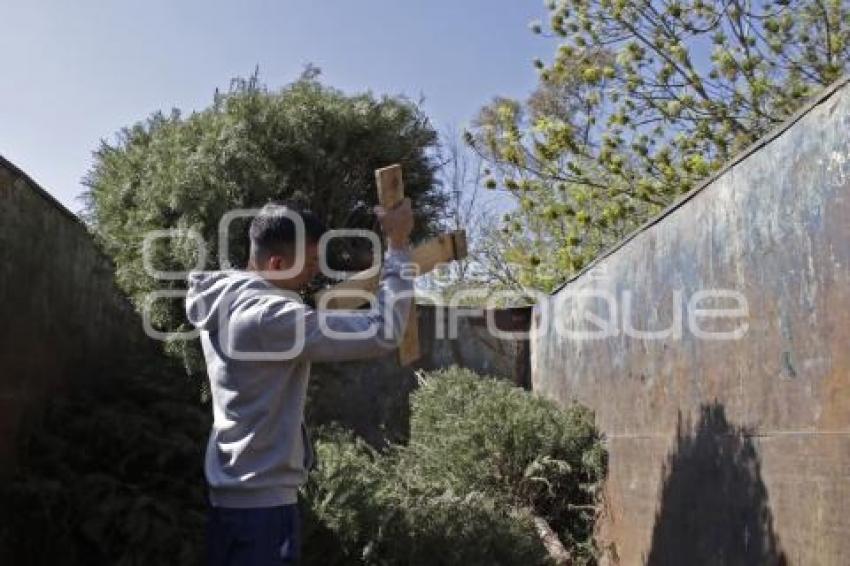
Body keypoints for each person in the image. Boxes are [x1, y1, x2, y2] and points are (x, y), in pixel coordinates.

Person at [186, 199, 414, 565]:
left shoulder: (226, 300)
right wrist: (399, 249)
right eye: (309, 264)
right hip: (262, 508)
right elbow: (382, 333)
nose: (314, 275)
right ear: (276, 263)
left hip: (236, 496)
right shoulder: (269, 317)